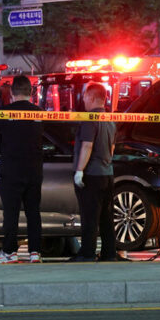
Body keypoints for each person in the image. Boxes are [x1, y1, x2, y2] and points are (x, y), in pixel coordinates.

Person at [0, 75, 44, 264]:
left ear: (12, 93)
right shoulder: (39, 112)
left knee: (11, 214)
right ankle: (35, 252)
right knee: (33, 212)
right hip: (34, 170)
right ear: (31, 92)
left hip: (12, 170)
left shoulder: (5, 111)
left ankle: (10, 252)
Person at [69, 83, 127, 262]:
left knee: (90, 216)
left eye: (85, 97)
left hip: (92, 175)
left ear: (92, 98)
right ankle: (109, 253)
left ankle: (87, 253)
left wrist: (79, 170)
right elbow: (111, 148)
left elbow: (87, 145)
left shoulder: (90, 119)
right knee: (106, 217)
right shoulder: (109, 119)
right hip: (107, 174)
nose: (84, 100)